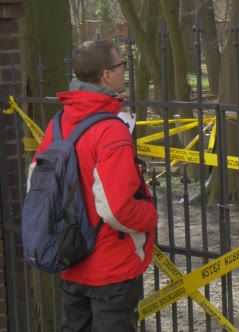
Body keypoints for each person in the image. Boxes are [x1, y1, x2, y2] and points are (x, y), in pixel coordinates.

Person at [29, 39, 158, 331]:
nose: (124, 71)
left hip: (71, 257)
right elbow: (117, 208)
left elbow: (35, 185)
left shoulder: (59, 124)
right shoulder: (112, 130)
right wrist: (150, 215)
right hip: (111, 268)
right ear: (106, 75)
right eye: (120, 65)